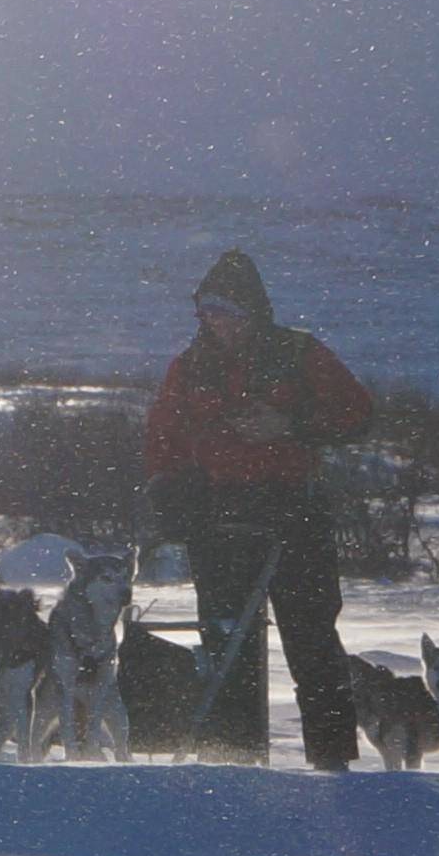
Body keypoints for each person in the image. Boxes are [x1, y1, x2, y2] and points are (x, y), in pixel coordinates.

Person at [140, 249, 376, 768]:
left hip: (294, 510)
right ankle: (232, 766)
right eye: (207, 311)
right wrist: (168, 490)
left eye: (225, 310)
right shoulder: (190, 366)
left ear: (252, 310)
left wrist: (291, 425)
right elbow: (164, 435)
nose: (214, 321)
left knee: (311, 639)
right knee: (227, 643)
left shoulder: (298, 353)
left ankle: (333, 765)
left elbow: (357, 412)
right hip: (218, 516)